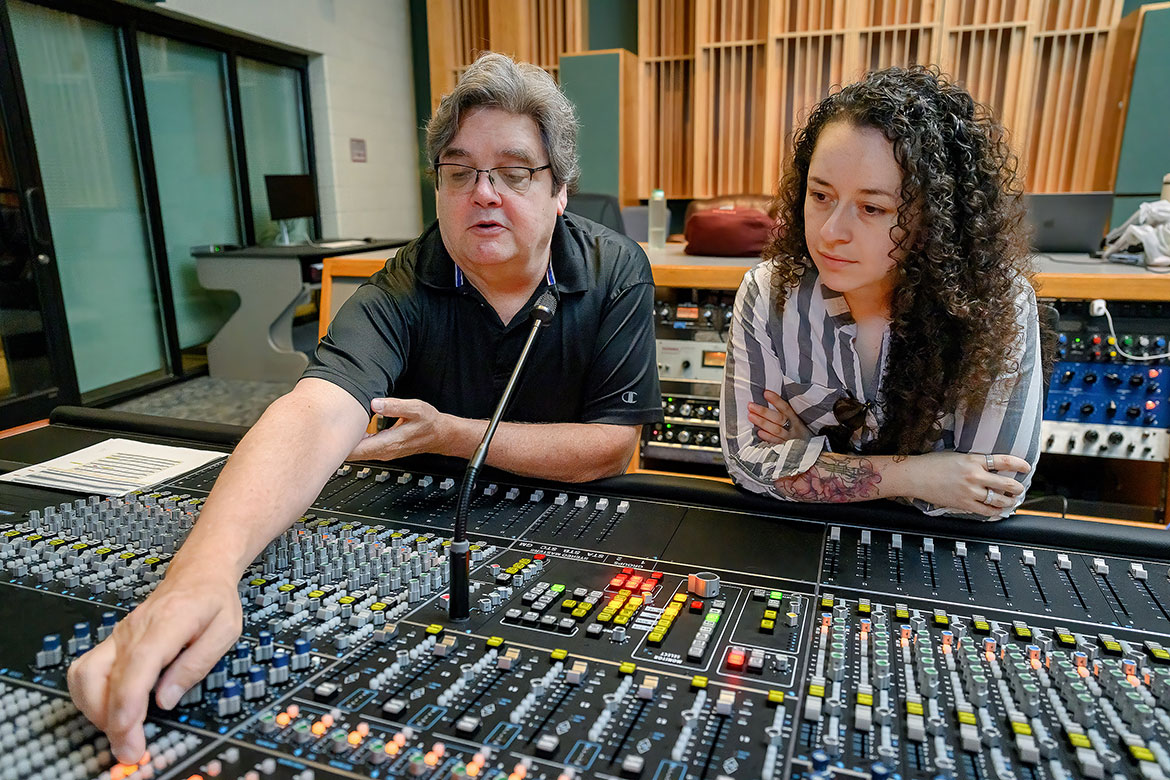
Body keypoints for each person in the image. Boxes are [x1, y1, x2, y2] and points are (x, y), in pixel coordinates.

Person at [69, 52, 661, 763]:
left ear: (560, 189)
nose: (484, 193)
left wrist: (450, 434)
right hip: (429, 529)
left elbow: (611, 447)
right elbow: (314, 411)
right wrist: (203, 574)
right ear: (438, 185)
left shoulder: (616, 269)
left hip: (581, 541)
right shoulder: (404, 284)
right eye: (459, 170)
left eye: (513, 171)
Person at [721, 65, 1045, 519]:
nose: (832, 232)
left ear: (934, 218)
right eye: (820, 196)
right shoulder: (769, 290)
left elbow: (993, 495)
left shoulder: (997, 303)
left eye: (872, 208)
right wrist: (918, 476)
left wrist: (809, 455)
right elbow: (748, 462)